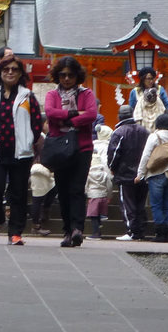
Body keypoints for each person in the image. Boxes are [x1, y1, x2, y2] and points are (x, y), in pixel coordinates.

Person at [0, 53, 43, 245]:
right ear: (0, 72)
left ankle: (16, 232)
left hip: (20, 153)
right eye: (6, 69)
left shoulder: (28, 96)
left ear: (20, 73)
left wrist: (29, 139)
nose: (10, 72)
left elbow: (36, 123)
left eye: (14, 69)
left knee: (18, 193)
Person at [43, 55, 98, 247]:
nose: (66, 79)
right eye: (63, 75)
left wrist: (65, 119)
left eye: (71, 75)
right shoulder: (52, 95)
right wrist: (75, 114)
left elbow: (91, 114)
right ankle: (67, 230)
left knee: (76, 189)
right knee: (63, 190)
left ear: (77, 76)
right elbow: (50, 112)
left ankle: (77, 229)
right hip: (60, 148)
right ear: (57, 76)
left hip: (82, 148)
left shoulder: (86, 94)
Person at [107, 104, 149, 241]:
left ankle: (132, 231)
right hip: (142, 173)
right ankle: (140, 230)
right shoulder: (144, 131)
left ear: (119, 116)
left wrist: (112, 168)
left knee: (127, 204)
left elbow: (114, 154)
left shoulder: (119, 132)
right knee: (140, 203)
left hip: (125, 174)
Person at [135, 111, 168, 242]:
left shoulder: (154, 137)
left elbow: (146, 156)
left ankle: (160, 233)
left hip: (156, 174)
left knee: (156, 204)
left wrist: (140, 174)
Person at [85, 122, 113, 239]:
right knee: (100, 211)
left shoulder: (93, 145)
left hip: (93, 194)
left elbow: (86, 185)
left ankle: (96, 232)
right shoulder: (109, 146)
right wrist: (109, 194)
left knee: (93, 214)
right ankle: (102, 219)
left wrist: (86, 193)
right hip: (103, 189)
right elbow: (109, 185)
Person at [128, 67, 168, 131]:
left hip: (158, 125)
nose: (151, 81)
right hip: (142, 125)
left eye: (152, 78)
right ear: (143, 79)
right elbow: (131, 109)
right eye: (148, 79)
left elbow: (167, 106)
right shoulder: (135, 92)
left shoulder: (159, 90)